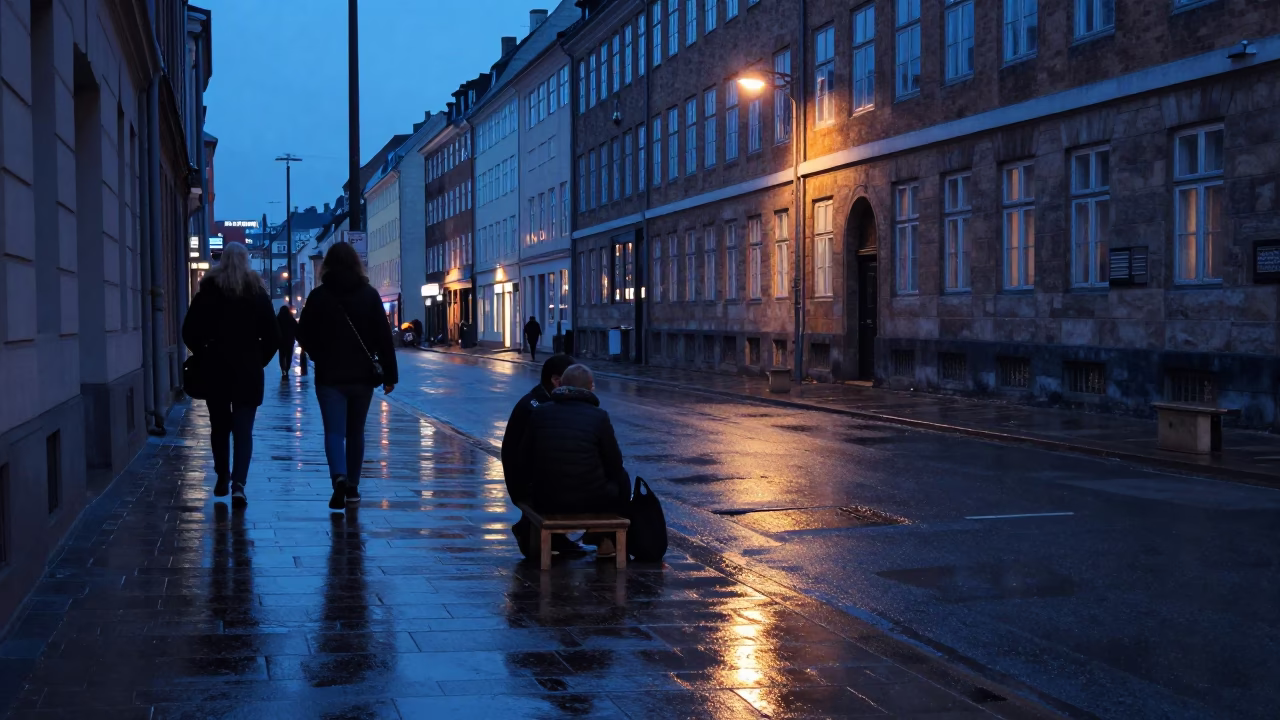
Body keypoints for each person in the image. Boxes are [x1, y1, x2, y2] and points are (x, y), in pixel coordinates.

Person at [297, 242, 399, 511]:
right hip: (362, 377)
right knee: (356, 432)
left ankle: (338, 477)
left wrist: (319, 354)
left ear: (327, 265)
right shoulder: (369, 295)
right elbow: (383, 337)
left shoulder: (319, 297)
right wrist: (390, 375)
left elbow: (303, 333)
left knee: (334, 431)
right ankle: (353, 487)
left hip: (330, 376)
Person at [181, 242, 279, 508]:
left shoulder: (208, 293)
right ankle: (239, 484)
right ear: (246, 262)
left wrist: (204, 351)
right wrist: (258, 360)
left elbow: (188, 330)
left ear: (222, 261)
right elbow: (273, 336)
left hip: (216, 370)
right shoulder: (257, 294)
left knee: (220, 427)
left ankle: (222, 474)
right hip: (248, 371)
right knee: (244, 431)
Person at [518, 364, 631, 559]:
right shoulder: (599, 416)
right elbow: (614, 462)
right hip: (591, 500)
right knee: (622, 479)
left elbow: (525, 458)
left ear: (560, 384)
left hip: (546, 499)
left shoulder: (540, 412)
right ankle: (605, 540)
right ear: (591, 387)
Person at [501, 354, 579, 556]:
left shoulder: (542, 400)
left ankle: (549, 535)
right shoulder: (541, 409)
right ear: (556, 381)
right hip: (527, 485)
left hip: (529, 480)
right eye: (574, 383)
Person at [276, 305, 298, 378]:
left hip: (281, 341)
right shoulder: (291, 319)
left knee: (282, 356)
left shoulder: (278, 319)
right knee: (289, 356)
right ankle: (287, 369)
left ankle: (283, 370)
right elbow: (296, 329)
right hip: (289, 341)